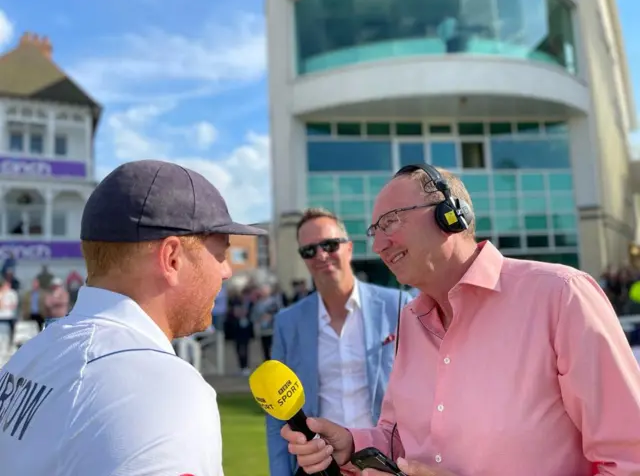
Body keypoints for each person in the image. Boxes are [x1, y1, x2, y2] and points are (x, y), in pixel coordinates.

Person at [280, 164, 640, 476]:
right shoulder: (409, 319)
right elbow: (398, 437)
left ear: (450, 214)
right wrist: (353, 443)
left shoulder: (561, 295)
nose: (379, 246)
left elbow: (629, 460)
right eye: (375, 231)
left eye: (390, 222)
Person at [0, 159, 267, 475]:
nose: (225, 271)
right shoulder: (165, 391)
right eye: (220, 254)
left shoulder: (28, 356)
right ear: (171, 259)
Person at [267, 208, 413, 476]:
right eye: (309, 250)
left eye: (329, 245)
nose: (321, 255)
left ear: (349, 248)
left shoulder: (399, 306)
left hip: (384, 461)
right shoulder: (288, 322)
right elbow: (277, 413)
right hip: (320, 465)